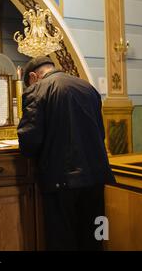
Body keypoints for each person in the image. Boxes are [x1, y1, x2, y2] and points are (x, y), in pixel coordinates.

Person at [17, 56, 116, 251]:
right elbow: (100, 132)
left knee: (62, 240)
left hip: (61, 180)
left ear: (33, 76)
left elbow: (29, 141)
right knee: (96, 236)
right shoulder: (87, 87)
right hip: (96, 177)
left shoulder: (37, 89)